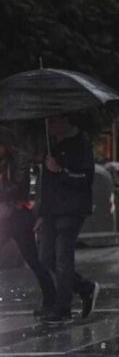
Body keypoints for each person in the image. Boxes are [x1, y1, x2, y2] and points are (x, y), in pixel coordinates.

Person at [36, 115, 100, 325]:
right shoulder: (51, 145)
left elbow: (85, 178)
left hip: (70, 211)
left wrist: (60, 170)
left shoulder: (80, 145)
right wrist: (41, 213)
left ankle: (62, 308)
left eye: (52, 122)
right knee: (46, 256)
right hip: (51, 211)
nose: (49, 126)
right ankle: (84, 288)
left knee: (63, 258)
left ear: (65, 122)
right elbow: (45, 184)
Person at [0, 129, 56, 316]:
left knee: (33, 259)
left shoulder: (19, 161)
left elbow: (15, 188)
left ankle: (52, 299)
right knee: (34, 259)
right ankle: (53, 299)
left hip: (18, 215)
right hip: (6, 215)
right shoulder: (6, 161)